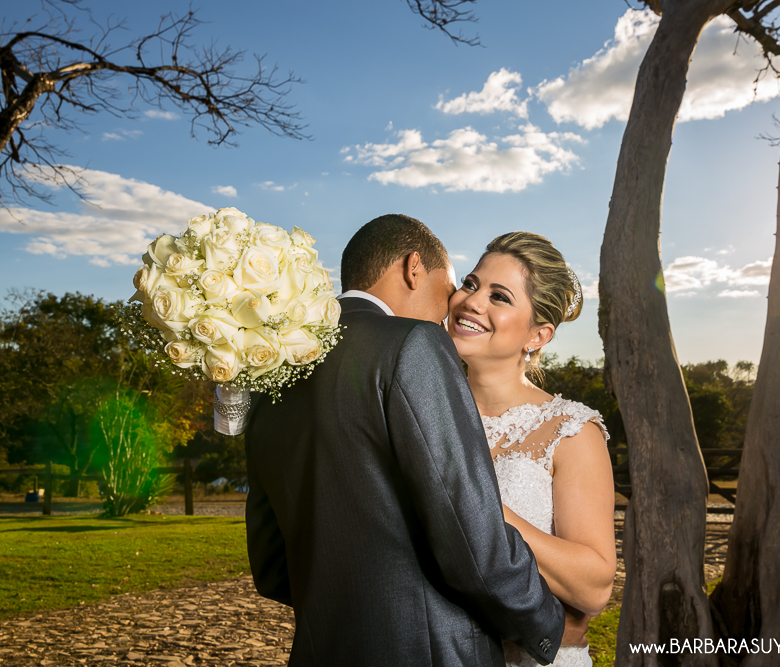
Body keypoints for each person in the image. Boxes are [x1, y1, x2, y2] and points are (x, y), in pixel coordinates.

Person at [244, 215, 565, 666]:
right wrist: (550, 625)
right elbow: (472, 536)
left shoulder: (272, 368)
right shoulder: (414, 342)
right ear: (414, 267)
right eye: (454, 285)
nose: (452, 305)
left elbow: (271, 566)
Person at [448, 232, 617, 667]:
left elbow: (594, 588)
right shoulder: (423, 411)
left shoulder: (570, 431)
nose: (471, 301)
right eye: (470, 283)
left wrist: (484, 510)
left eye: (499, 296)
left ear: (537, 335)